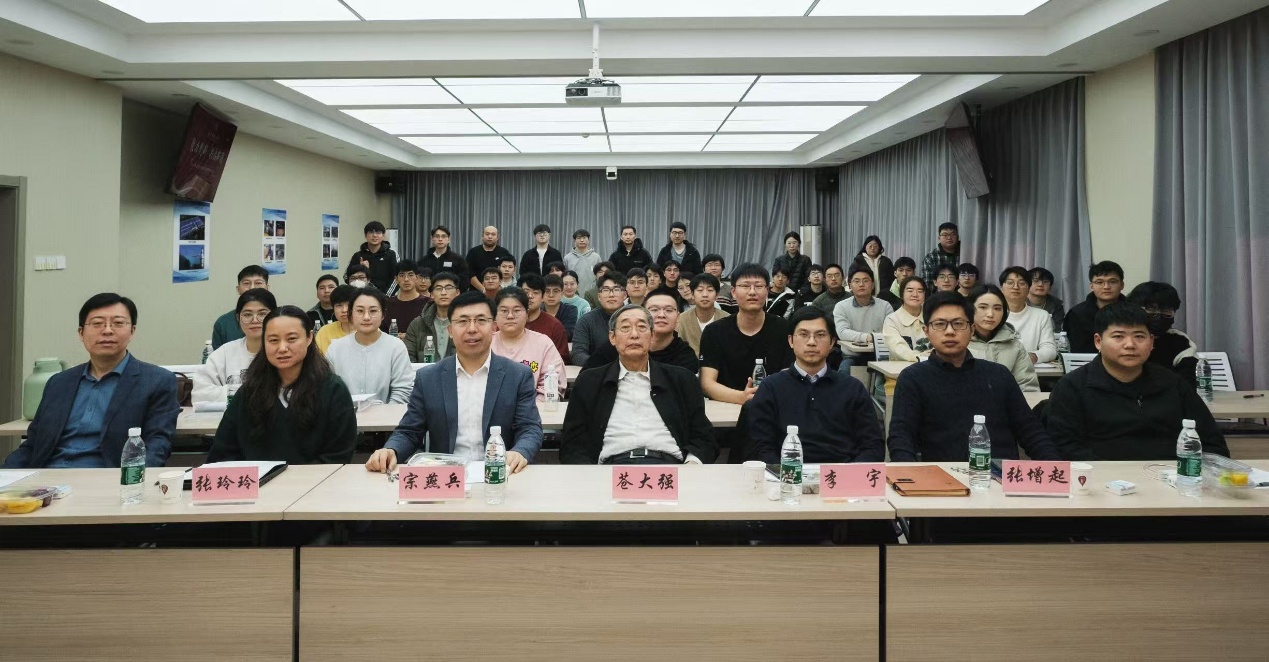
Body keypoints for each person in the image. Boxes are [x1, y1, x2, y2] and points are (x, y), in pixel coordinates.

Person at [366, 290, 544, 473]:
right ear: (450, 331)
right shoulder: (429, 378)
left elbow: (529, 428)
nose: (472, 329)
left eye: (481, 320)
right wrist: (391, 450)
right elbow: (410, 431)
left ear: (493, 328)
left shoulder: (517, 375)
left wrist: (520, 452)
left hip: (501, 474)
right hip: (447, 477)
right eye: (463, 321)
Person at [4, 294, 179, 469]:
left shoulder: (157, 381)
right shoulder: (58, 383)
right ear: (81, 333)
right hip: (47, 478)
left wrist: (134, 480)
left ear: (132, 331)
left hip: (108, 478)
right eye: (97, 323)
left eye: (118, 323)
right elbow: (33, 444)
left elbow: (157, 445)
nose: (107, 330)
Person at [887, 291, 1061, 462]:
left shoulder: (998, 375)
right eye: (940, 324)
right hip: (942, 475)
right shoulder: (913, 378)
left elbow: (1030, 430)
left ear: (971, 330)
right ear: (926, 331)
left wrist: (1056, 466)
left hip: (999, 474)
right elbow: (901, 437)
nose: (950, 331)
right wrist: (909, 474)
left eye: (958, 324)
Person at [1046, 303, 1228, 460]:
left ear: (1151, 342)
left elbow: (1212, 443)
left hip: (1170, 478)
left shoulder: (1173, 384)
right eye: (1118, 336)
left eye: (1139, 336)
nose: (1130, 345)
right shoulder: (1072, 386)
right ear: (1098, 341)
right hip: (1102, 481)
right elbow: (1064, 448)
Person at [560, 304, 717, 465]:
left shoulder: (682, 379)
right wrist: (591, 473)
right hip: (610, 468)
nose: (634, 335)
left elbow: (703, 436)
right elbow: (572, 444)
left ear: (652, 336)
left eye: (642, 327)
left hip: (669, 466)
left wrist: (692, 464)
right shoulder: (589, 381)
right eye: (625, 328)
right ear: (612, 338)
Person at [208, 306, 357, 465]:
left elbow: (337, 455)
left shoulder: (333, 390)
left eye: (291, 339)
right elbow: (223, 453)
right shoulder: (250, 391)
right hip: (258, 479)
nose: (282, 348)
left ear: (309, 338)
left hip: (317, 479)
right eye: (273, 340)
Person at [747, 306, 884, 464]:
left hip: (840, 474)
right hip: (786, 473)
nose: (811, 342)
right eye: (803, 334)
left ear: (832, 342)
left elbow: (872, 445)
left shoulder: (852, 388)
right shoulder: (771, 387)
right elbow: (760, 446)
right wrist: (783, 474)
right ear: (791, 341)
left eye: (820, 335)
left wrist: (848, 475)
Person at [699, 263, 794, 405]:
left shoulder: (784, 329)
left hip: (772, 406)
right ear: (733, 292)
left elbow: (788, 377)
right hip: (725, 407)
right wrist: (742, 397)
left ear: (767, 291)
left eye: (759, 286)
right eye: (745, 286)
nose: (752, 292)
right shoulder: (714, 331)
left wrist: (764, 398)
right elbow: (707, 383)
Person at [325, 287, 414, 405]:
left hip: (386, 415)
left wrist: (385, 413)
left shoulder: (396, 347)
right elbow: (328, 390)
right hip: (344, 415)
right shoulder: (335, 349)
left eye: (373, 311)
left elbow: (403, 390)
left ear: (383, 315)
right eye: (360, 311)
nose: (366, 317)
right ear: (351, 314)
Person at [194, 288, 276, 408]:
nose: (254, 320)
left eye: (262, 314)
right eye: (247, 315)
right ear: (238, 318)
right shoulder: (224, 353)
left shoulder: (283, 351)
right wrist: (240, 392)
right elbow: (199, 394)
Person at [584, 288, 699, 373]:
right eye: (654, 310)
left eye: (668, 310)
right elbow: (587, 377)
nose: (661, 315)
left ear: (678, 317)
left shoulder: (685, 356)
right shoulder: (620, 345)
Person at [490, 288, 566, 402]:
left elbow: (552, 385)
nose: (510, 316)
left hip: (534, 408)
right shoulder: (485, 343)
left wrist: (531, 408)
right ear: (495, 315)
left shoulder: (543, 343)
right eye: (504, 310)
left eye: (517, 310)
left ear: (527, 314)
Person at [968, 285, 1040, 392]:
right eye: (983, 307)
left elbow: (1028, 387)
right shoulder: (958, 343)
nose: (990, 314)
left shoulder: (1015, 346)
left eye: (997, 308)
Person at [1127, 281, 1199, 388]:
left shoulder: (1180, 341)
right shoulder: (1121, 338)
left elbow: (1188, 384)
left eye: (1166, 310)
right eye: (1151, 309)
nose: (1159, 316)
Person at [833, 264, 894, 368]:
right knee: (844, 373)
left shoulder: (885, 306)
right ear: (850, 286)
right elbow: (842, 332)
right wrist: (868, 337)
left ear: (873, 285)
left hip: (879, 355)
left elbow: (891, 332)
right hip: (852, 355)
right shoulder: (841, 306)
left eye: (866, 281)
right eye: (856, 281)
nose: (861, 284)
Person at [998, 267, 1057, 364]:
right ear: (1001, 288)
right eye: (1010, 283)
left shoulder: (1041, 316)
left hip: (1030, 368)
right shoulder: (993, 314)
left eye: (1021, 283)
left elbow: (1050, 349)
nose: (1015, 287)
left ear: (1028, 289)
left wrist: (1033, 356)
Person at [1065, 261, 1126, 353]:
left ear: (1122, 285)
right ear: (1092, 286)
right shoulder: (1077, 314)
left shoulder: (1133, 312)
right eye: (1099, 282)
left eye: (1112, 282)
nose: (1106, 287)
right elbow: (1076, 349)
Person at [571, 271, 626, 367]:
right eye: (606, 290)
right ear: (599, 296)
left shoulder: (636, 318)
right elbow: (577, 354)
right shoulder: (586, 321)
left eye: (616, 289)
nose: (611, 295)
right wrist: (603, 367)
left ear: (625, 295)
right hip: (598, 372)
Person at [404, 272, 460, 363]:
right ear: (432, 294)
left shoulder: (465, 323)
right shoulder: (417, 324)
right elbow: (408, 357)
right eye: (438, 288)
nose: (443, 292)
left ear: (457, 293)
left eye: (448, 288)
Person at [211, 265, 269, 350]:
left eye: (258, 283)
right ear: (238, 289)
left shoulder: (279, 318)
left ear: (267, 288)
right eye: (246, 283)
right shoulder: (223, 323)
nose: (252, 288)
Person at [518, 274, 571, 362]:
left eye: (535, 292)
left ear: (543, 297)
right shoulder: (509, 322)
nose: (530, 296)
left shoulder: (555, 326)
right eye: (526, 292)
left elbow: (562, 359)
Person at [675, 273, 730, 356]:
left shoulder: (727, 319)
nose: (705, 295)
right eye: (700, 290)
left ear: (717, 295)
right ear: (692, 294)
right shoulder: (681, 319)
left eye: (710, 290)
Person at [882, 276, 930, 362]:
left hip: (932, 366)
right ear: (902, 294)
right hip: (900, 368)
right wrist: (920, 357)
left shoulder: (932, 316)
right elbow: (898, 347)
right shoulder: (892, 320)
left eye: (920, 291)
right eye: (910, 290)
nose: (915, 294)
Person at [382, 260, 430, 337]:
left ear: (417, 278)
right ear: (396, 279)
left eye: (410, 275)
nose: (406, 279)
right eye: (402, 275)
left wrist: (409, 337)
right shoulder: (387, 304)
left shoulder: (428, 303)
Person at [348, 221, 398, 292]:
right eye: (371, 232)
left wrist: (384, 296)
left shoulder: (391, 254)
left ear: (383, 235)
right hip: (362, 295)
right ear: (365, 235)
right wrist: (360, 269)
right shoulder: (358, 255)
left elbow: (397, 279)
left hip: (384, 296)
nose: (374, 235)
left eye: (378, 233)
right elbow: (347, 277)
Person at [418, 224, 470, 290]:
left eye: (443, 236)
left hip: (451, 294)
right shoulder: (423, 261)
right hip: (429, 294)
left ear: (448, 239)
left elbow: (464, 281)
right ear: (432, 239)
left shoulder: (458, 260)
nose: (440, 239)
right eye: (437, 236)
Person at [465, 226, 514, 291]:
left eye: (493, 234)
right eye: (487, 234)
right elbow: (469, 273)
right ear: (482, 236)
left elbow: (508, 272)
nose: (490, 237)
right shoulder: (473, 252)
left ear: (497, 237)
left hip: (499, 292)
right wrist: (483, 290)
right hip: (476, 291)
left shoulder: (504, 252)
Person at [315, 284, 358, 354]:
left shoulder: (368, 330)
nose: (344, 310)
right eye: (339, 305)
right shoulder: (324, 332)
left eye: (349, 305)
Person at [564, 229, 602, 296]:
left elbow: (600, 276)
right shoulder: (568, 258)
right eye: (579, 238)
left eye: (584, 238)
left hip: (591, 294)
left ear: (588, 240)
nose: (582, 240)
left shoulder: (596, 257)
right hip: (573, 294)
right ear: (574, 241)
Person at [1028, 267, 1065, 333]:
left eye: (1045, 281)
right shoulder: (1018, 302)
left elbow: (1057, 329)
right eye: (1035, 281)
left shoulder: (1056, 305)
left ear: (1050, 287)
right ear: (1027, 284)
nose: (1040, 284)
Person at [542, 274, 579, 340]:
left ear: (562, 293)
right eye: (547, 291)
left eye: (556, 291)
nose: (551, 295)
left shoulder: (570, 310)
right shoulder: (536, 310)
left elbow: (569, 334)